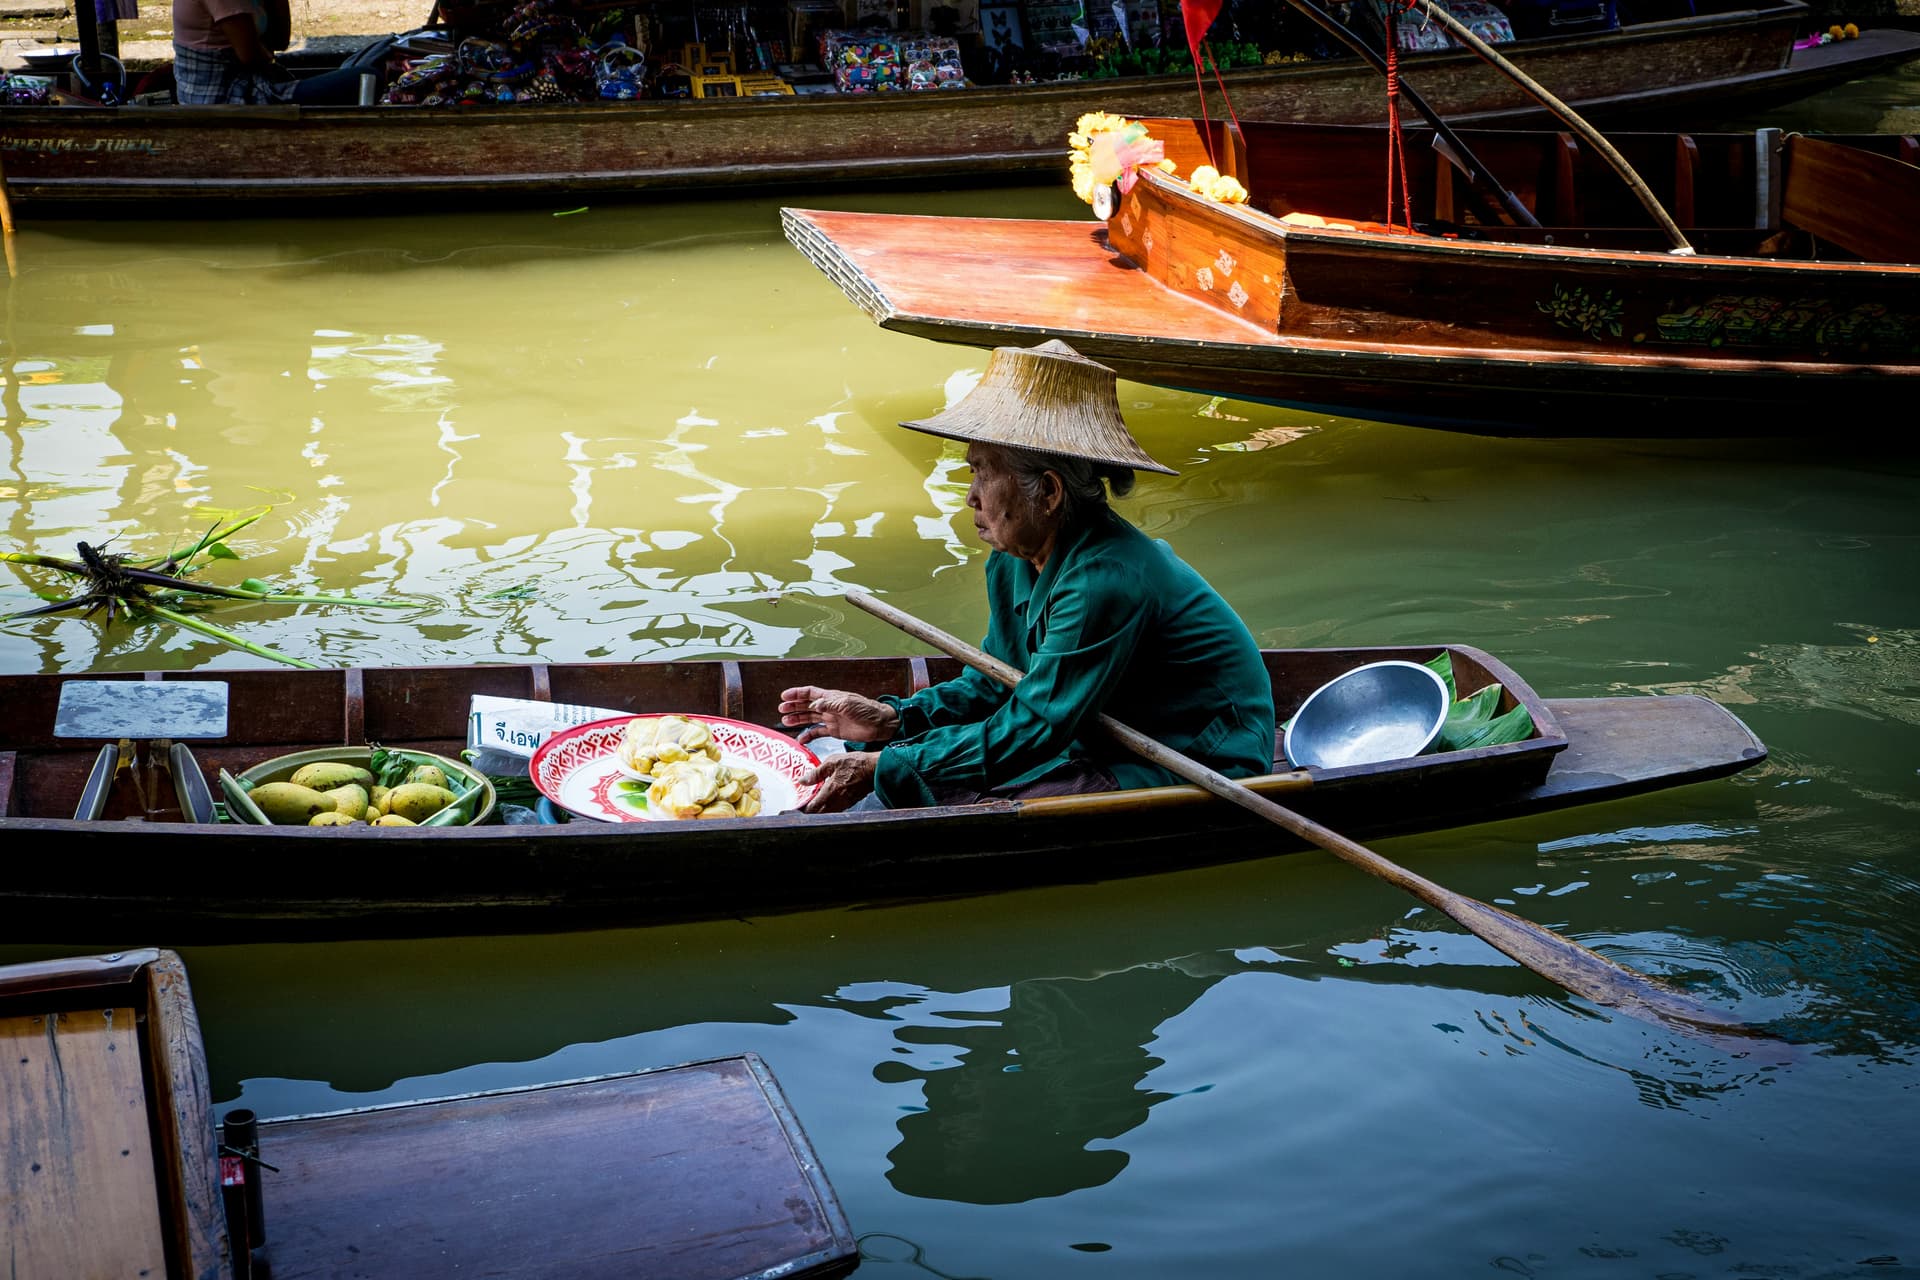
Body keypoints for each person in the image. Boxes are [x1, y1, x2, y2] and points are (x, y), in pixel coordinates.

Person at [778, 339, 1276, 812]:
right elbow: (1000, 681)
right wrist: (894, 720)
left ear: (1049, 492)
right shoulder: (1015, 557)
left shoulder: (1107, 579)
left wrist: (888, 763)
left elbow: (1036, 725)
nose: (971, 496)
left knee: (935, 793)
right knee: (895, 764)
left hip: (1192, 755)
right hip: (1091, 725)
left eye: (984, 473)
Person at [172, 0, 365, 104]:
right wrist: (267, 56)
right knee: (363, 77)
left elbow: (280, 41)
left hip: (251, 83)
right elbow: (250, 55)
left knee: (360, 68)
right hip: (227, 97)